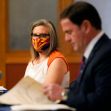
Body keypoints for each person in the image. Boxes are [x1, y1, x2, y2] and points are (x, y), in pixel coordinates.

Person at [43, 1, 111, 111]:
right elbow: (79, 88)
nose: (66, 39)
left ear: (85, 26)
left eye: (69, 32)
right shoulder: (95, 52)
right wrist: (56, 92)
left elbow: (102, 101)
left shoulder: (106, 53)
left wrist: (63, 94)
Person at [24, 19, 70, 88]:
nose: (37, 39)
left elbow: (46, 93)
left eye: (43, 35)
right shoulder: (33, 60)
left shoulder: (57, 60)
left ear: (52, 38)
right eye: (35, 35)